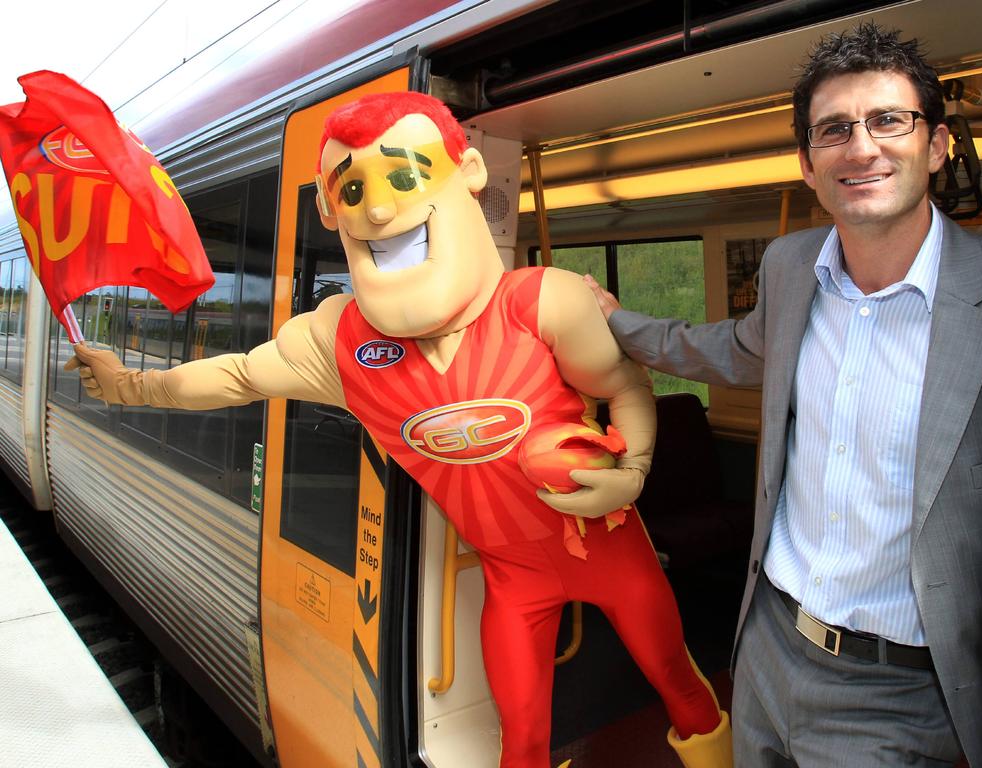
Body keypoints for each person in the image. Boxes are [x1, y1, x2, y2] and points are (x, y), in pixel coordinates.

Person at [66, 92, 731, 768]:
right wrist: (131, 385)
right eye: (353, 189)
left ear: (466, 171)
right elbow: (238, 376)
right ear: (330, 210)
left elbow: (626, 387)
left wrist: (633, 472)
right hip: (514, 580)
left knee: (678, 683)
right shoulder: (341, 343)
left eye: (404, 176)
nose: (379, 209)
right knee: (522, 738)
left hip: (615, 551)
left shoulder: (542, 302)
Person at [585, 22, 982, 768]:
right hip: (767, 647)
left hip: (904, 694)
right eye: (834, 130)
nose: (861, 146)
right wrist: (616, 323)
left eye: (889, 120)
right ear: (808, 166)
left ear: (937, 145)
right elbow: (726, 348)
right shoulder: (790, 266)